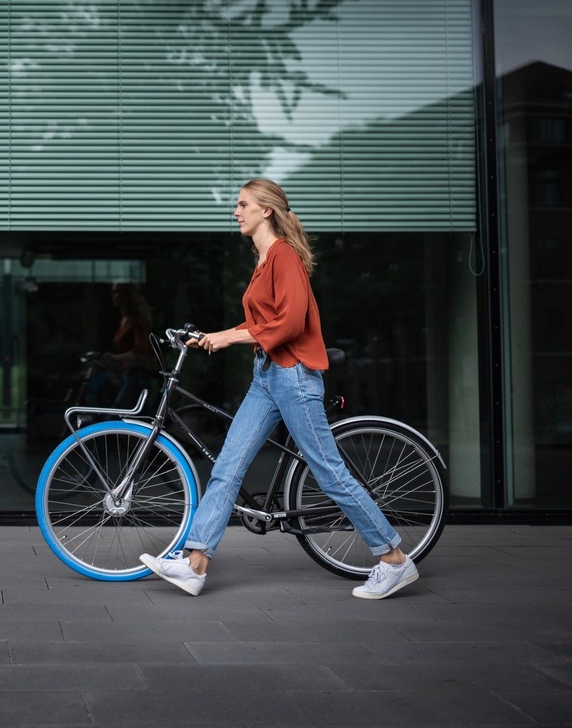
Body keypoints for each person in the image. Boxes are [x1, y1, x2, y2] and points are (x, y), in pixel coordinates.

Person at [139, 179, 418, 600]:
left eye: (242, 204)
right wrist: (211, 335)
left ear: (265, 210)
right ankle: (194, 565)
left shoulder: (283, 256)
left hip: (295, 377)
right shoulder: (264, 260)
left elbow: (289, 323)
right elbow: (259, 323)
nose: (236, 211)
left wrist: (230, 339)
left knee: (329, 473)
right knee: (227, 467)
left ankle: (394, 559)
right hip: (267, 377)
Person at [86, 281, 157, 410]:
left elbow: (141, 351)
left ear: (127, 295)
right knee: (144, 419)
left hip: (137, 377)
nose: (113, 296)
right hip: (128, 375)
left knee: (114, 418)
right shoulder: (125, 320)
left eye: (116, 292)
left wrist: (114, 358)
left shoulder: (137, 320)